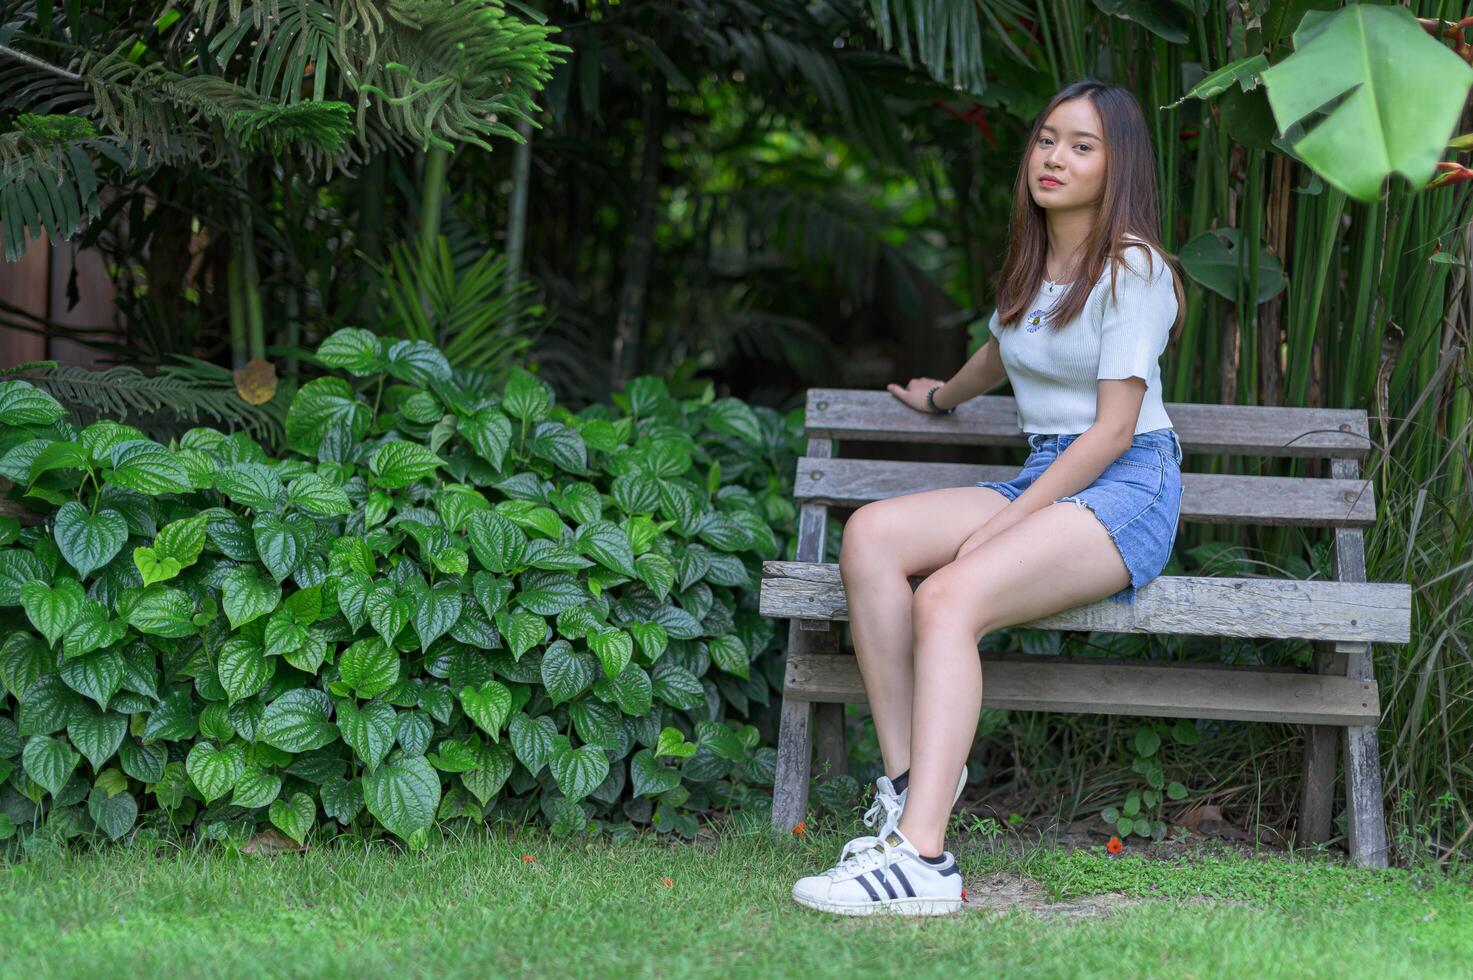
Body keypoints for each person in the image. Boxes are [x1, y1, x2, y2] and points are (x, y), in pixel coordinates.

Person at [790, 80, 1187, 916]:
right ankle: (905, 793)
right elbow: (1003, 349)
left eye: (1081, 145)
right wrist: (939, 397)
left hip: (1125, 485)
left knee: (949, 597)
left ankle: (923, 862)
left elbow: (1112, 431)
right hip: (1049, 471)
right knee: (870, 536)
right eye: (1046, 139)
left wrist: (1004, 524)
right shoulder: (1037, 265)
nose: (1054, 157)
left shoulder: (1133, 268)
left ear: (1118, 166)